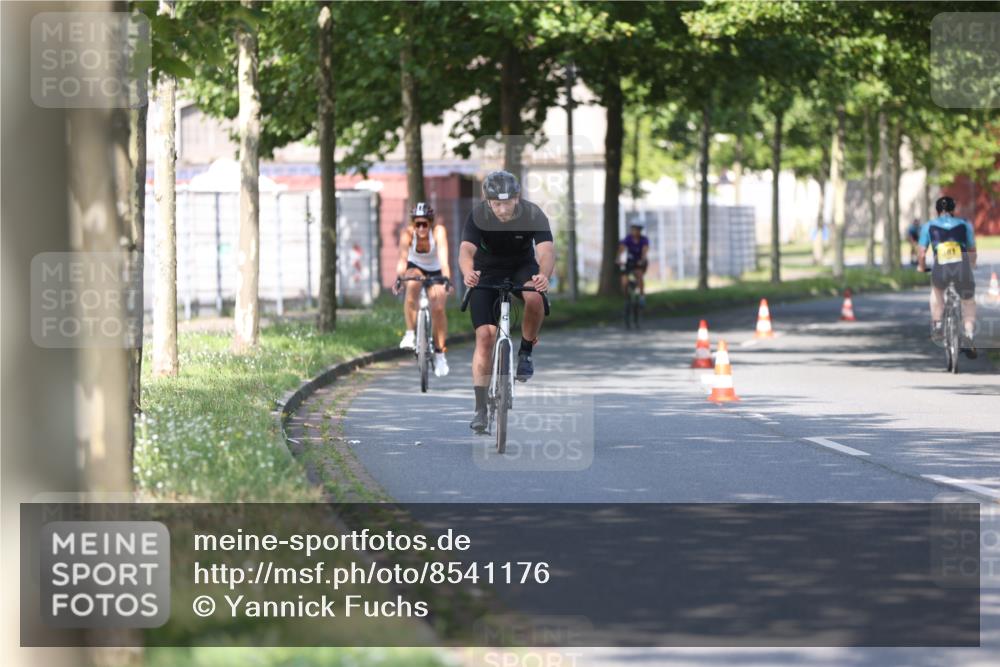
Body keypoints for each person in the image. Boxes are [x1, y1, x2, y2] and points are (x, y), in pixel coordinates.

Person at [460, 170, 555, 433]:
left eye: (508, 202)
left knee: (535, 297)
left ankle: (525, 351)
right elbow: (466, 250)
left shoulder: (533, 214)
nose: (502, 209)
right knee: (485, 337)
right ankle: (480, 409)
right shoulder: (478, 215)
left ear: (517, 198)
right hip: (486, 271)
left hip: (521, 267)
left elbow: (546, 251)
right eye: (497, 204)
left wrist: (543, 276)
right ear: (487, 201)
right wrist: (468, 272)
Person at [393, 202, 453, 376]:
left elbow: (444, 260)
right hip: (415, 266)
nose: (420, 228)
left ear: (430, 223)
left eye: (424, 224)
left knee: (439, 308)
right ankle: (410, 333)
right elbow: (402, 260)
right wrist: (399, 279)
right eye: (417, 224)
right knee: (412, 284)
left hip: (435, 269)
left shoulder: (438, 232)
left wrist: (447, 280)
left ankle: (441, 355)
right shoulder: (407, 234)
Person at [917, 196, 978, 359]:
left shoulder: (928, 226)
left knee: (936, 293)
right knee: (968, 300)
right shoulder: (965, 225)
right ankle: (970, 334)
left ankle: (937, 324)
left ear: (937, 211)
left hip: (940, 269)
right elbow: (972, 249)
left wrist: (921, 266)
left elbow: (922, 252)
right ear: (953, 210)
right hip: (962, 268)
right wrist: (971, 266)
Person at [617, 222, 650, 305]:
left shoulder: (644, 240)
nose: (634, 231)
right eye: (633, 230)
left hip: (639, 262)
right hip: (629, 262)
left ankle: (642, 297)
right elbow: (622, 248)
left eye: (636, 230)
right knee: (624, 281)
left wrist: (642, 260)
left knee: (639, 276)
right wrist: (618, 259)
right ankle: (626, 299)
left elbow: (644, 251)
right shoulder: (628, 239)